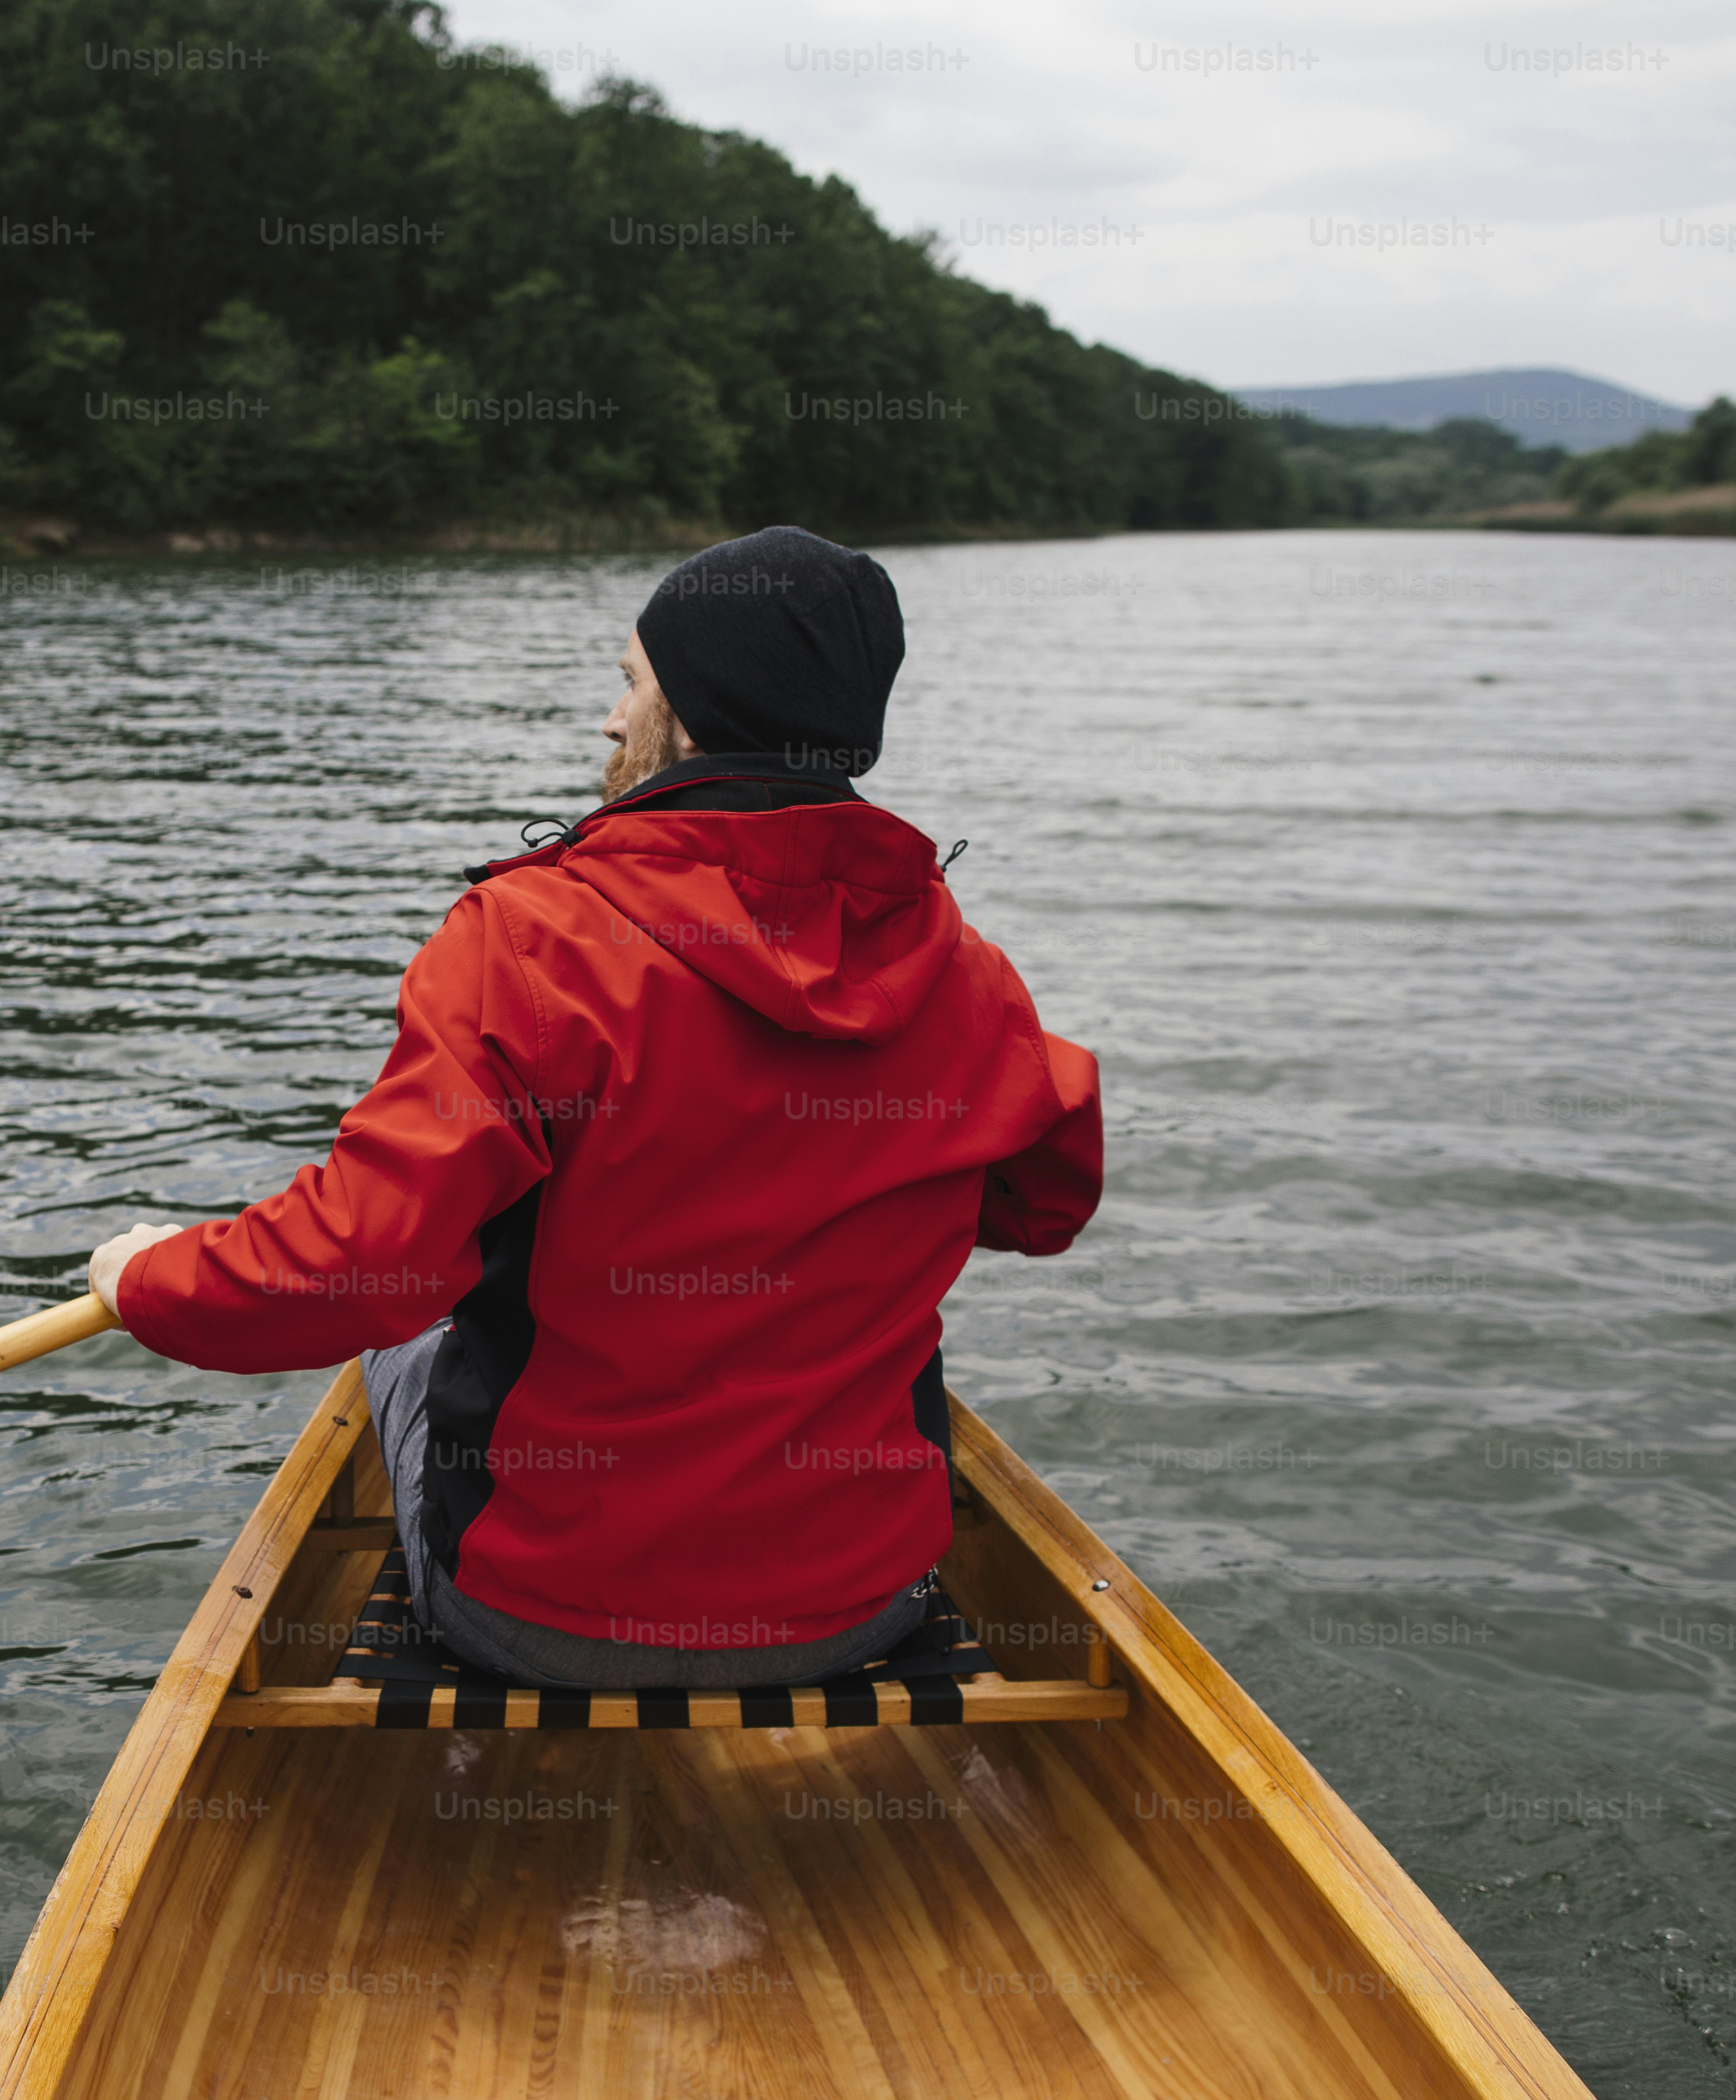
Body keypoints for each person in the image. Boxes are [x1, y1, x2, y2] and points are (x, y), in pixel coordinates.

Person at [86, 526, 1100, 1688]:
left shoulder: (528, 941)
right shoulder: (966, 969)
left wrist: (147, 1278)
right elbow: (1042, 1205)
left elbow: (358, 1267)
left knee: (407, 1331)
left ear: (694, 713)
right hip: (864, 1606)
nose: (611, 720)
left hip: (542, 1619)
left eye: (630, 684)